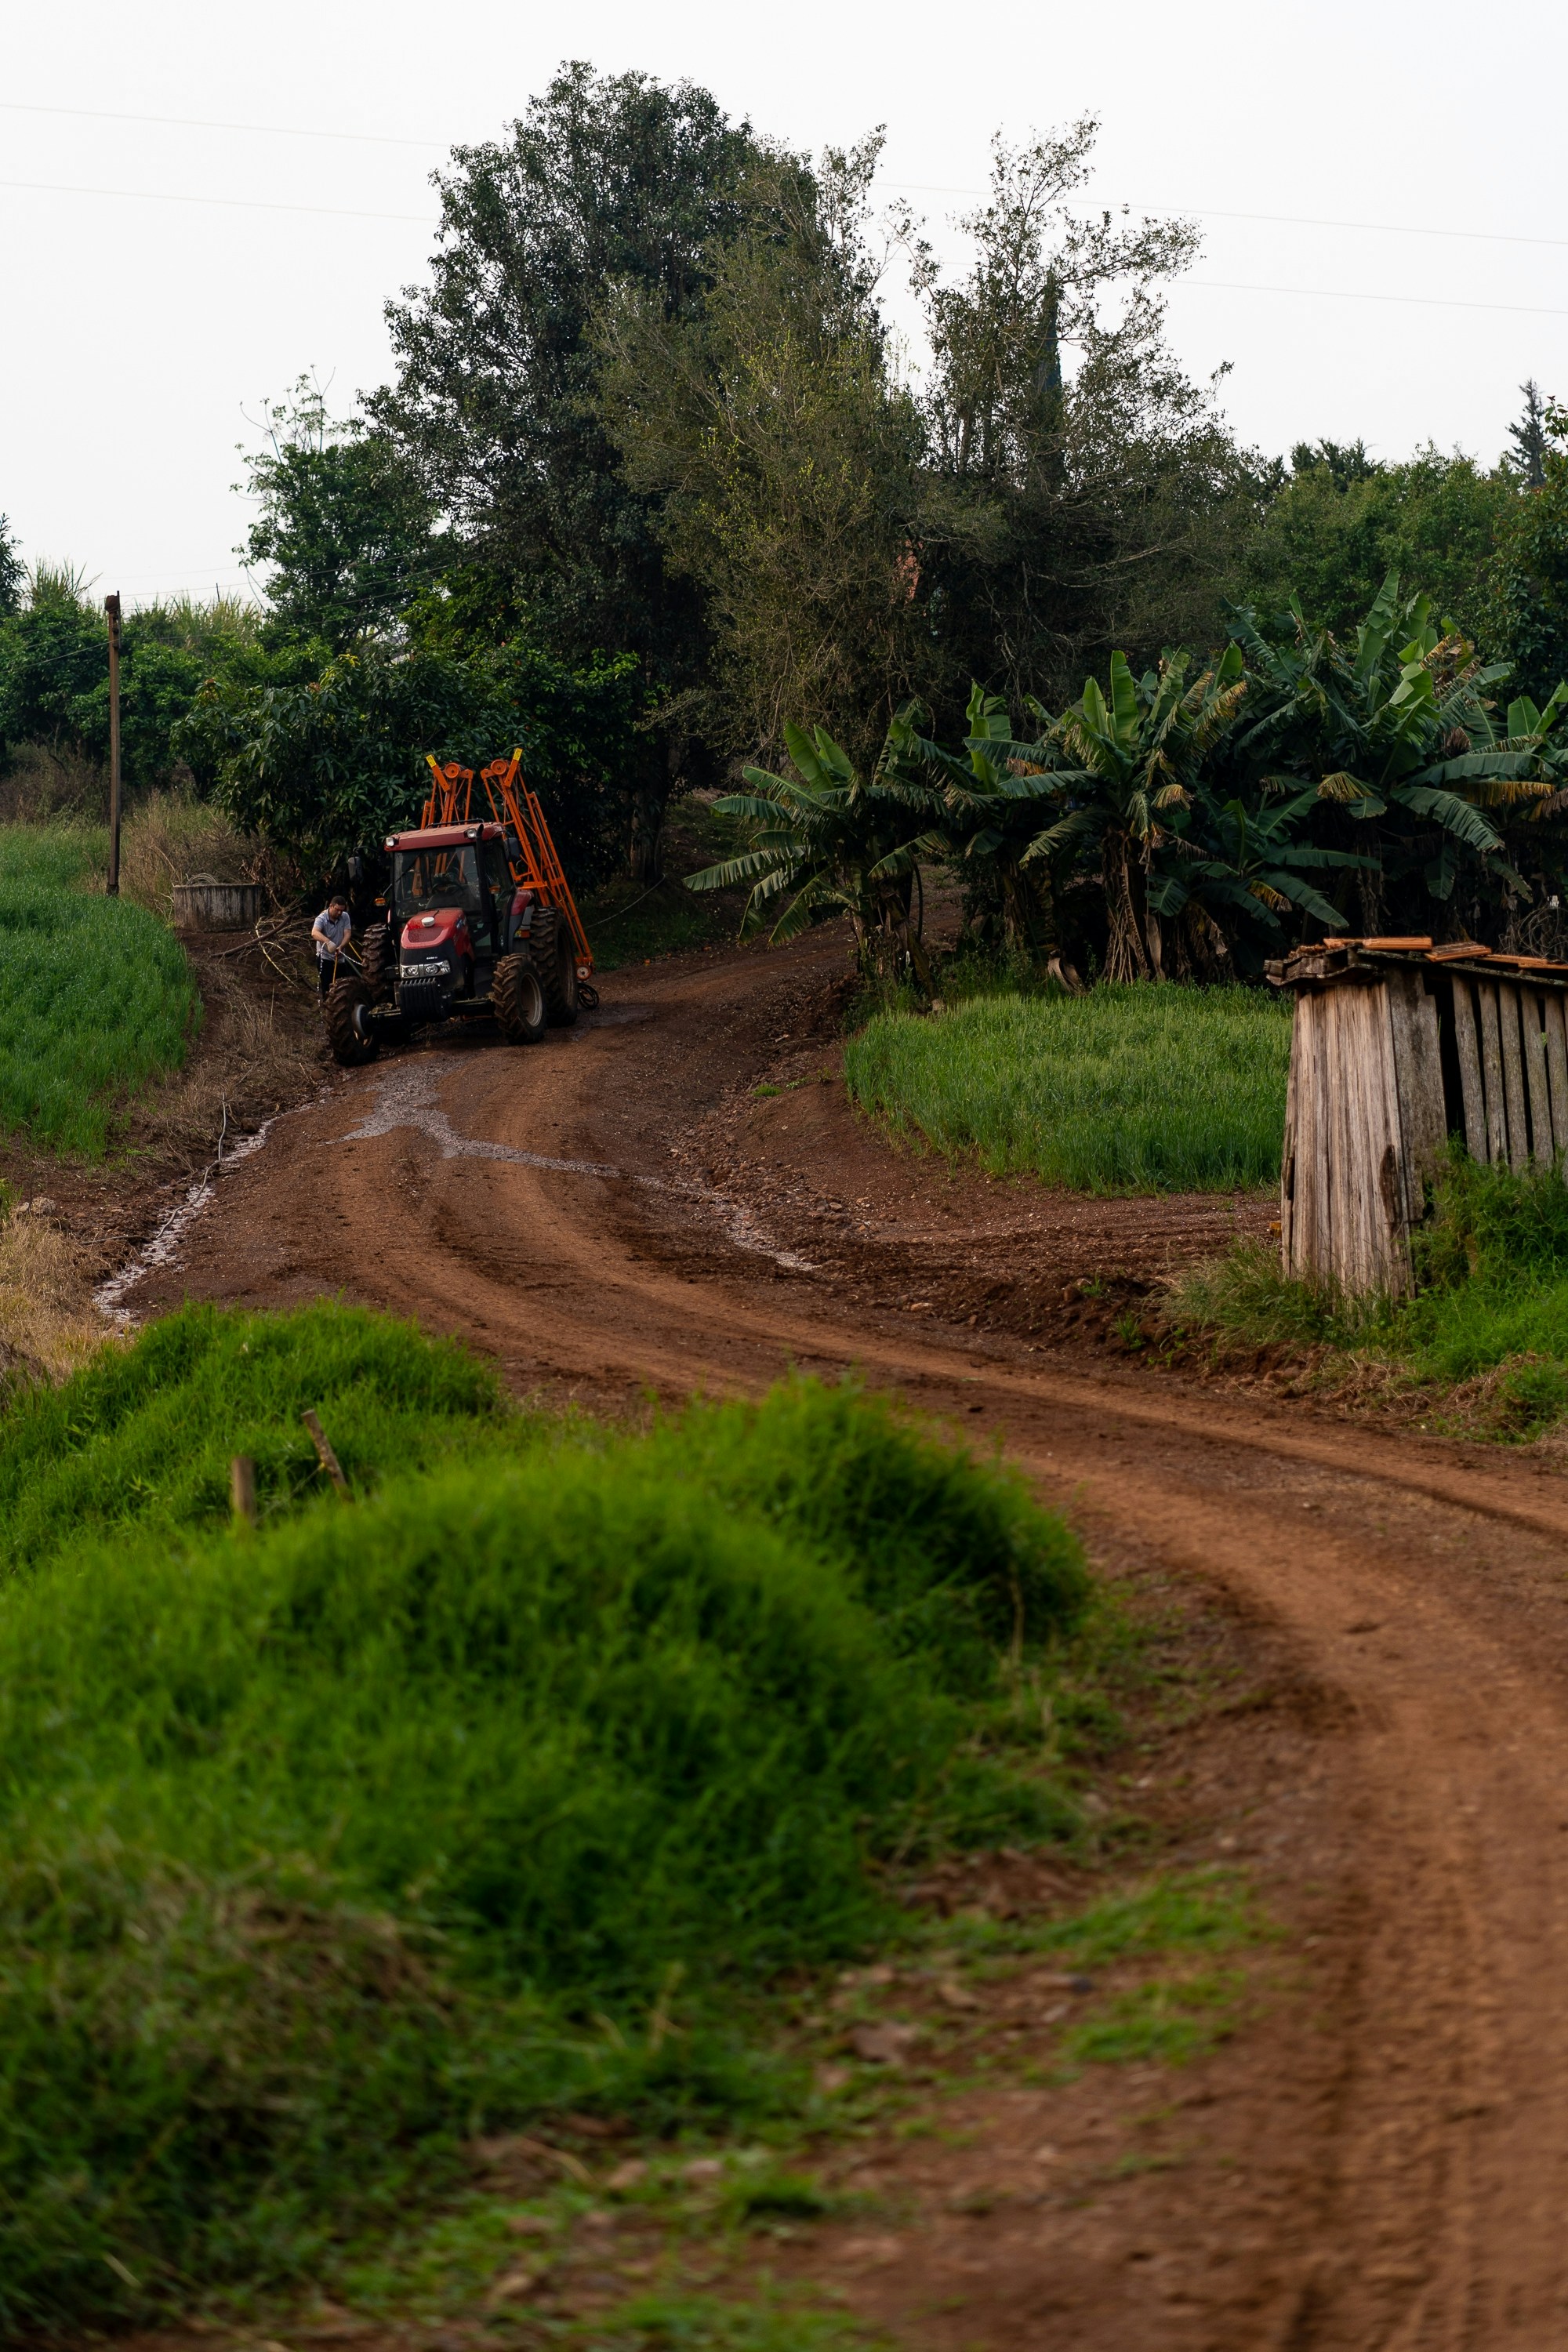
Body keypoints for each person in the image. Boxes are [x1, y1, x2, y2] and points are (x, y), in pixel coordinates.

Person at [311, 895, 352, 997]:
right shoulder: (321, 919)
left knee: (343, 987)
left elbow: (347, 934)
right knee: (328, 989)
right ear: (331, 906)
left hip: (340, 958)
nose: (339, 913)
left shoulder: (345, 916)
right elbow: (314, 933)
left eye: (341, 911)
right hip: (325, 958)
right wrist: (328, 942)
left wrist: (341, 946)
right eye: (337, 910)